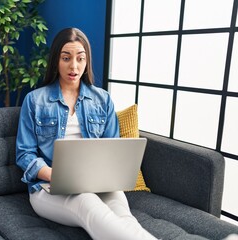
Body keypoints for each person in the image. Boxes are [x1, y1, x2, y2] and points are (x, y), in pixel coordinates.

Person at [16, 27, 157, 240]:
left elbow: (113, 149)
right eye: (66, 58)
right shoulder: (35, 100)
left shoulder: (103, 99)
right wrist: (54, 175)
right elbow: (24, 154)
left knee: (123, 216)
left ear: (87, 61)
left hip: (99, 182)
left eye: (80, 59)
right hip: (47, 187)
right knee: (87, 202)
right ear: (56, 60)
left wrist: (109, 174)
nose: (74, 66)